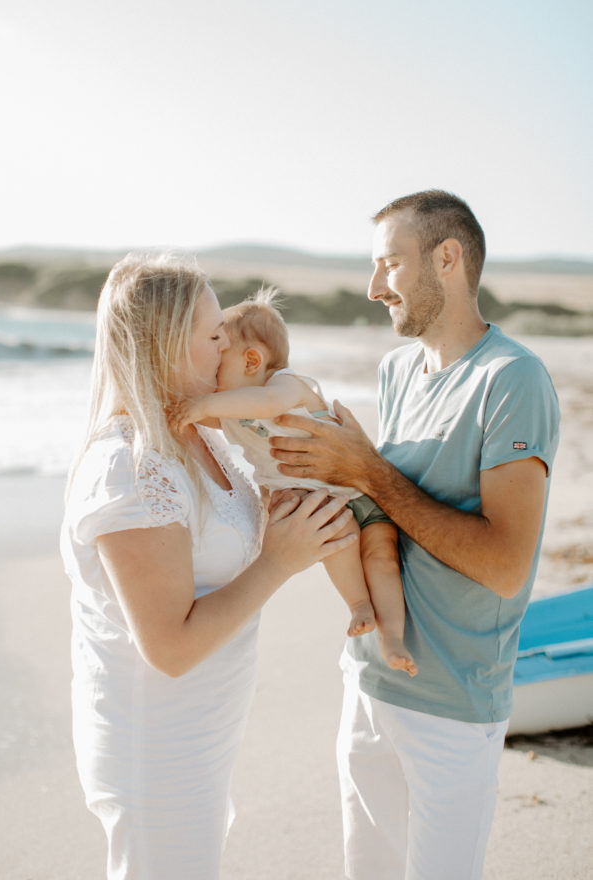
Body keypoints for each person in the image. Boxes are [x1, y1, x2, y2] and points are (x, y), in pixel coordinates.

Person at [268, 190, 560, 880]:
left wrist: (368, 470)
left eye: (388, 265)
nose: (373, 288)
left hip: (453, 708)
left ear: (447, 258)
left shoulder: (511, 379)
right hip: (368, 681)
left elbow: (503, 566)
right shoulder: (396, 370)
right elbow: (384, 515)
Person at [60, 253, 358, 880]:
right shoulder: (131, 466)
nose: (231, 342)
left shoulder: (208, 435)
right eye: (214, 331)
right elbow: (169, 646)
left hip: (203, 729)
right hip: (156, 740)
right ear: (168, 343)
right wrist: (278, 562)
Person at [169, 288, 416, 674]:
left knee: (382, 558)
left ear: (252, 361)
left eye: (219, 370)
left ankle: (394, 638)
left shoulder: (288, 385)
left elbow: (265, 407)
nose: (213, 385)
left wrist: (202, 404)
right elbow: (203, 415)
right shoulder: (234, 410)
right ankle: (359, 605)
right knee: (339, 545)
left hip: (358, 491)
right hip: (324, 505)